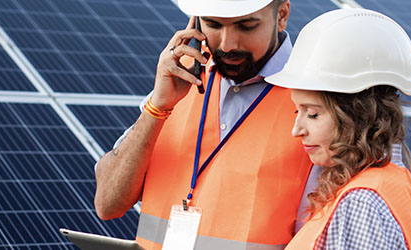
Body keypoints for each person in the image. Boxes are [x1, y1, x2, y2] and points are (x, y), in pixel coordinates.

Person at [93, 0, 316, 249]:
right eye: (213, 25)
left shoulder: (318, 102)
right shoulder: (178, 80)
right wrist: (157, 107)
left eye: (246, 26)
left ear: (282, 15)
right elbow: (107, 203)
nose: (227, 44)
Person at [266, 9, 411, 249]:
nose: (296, 130)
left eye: (313, 114)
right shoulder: (402, 188)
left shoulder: (362, 203)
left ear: (358, 114)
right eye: (297, 111)